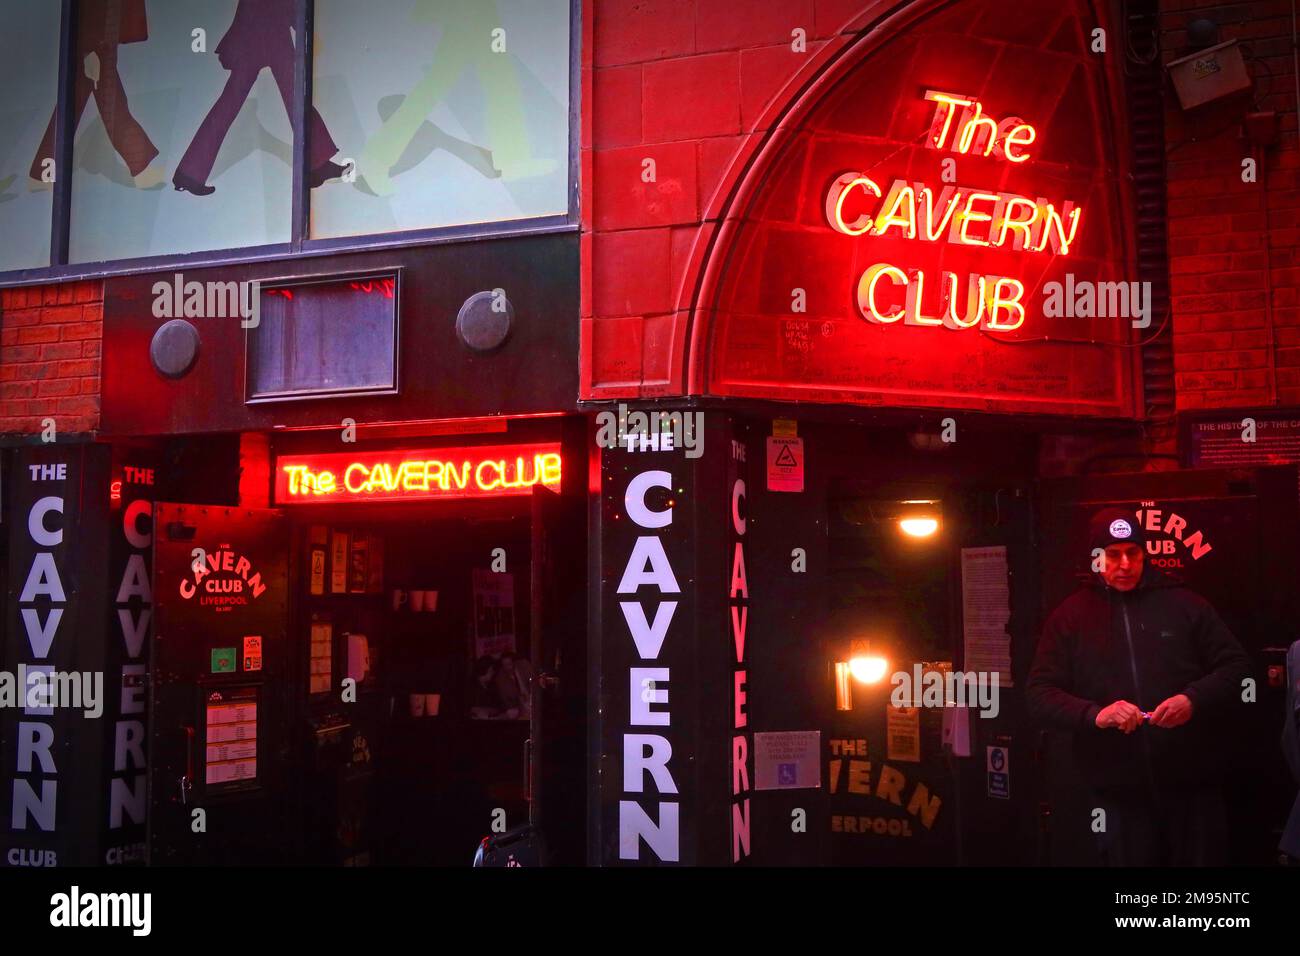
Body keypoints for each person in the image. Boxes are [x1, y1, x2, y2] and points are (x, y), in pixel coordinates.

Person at [1026, 506, 1251, 866]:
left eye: (1134, 553)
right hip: (1117, 794)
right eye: (1113, 555)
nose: (1125, 565)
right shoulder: (1071, 616)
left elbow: (1239, 669)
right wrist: (1095, 715)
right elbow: (1038, 695)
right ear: (1096, 558)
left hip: (1191, 787)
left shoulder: (1184, 604)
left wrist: (1192, 700)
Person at [173, 0, 343, 195]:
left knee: (240, 102)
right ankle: (189, 172)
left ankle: (189, 172)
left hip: (262, 30)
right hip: (265, 30)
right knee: (293, 98)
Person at [30, 0, 163, 190]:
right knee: (108, 97)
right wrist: (89, 48)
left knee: (83, 97)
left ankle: (41, 174)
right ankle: (141, 166)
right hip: (98, 27)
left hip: (101, 27)